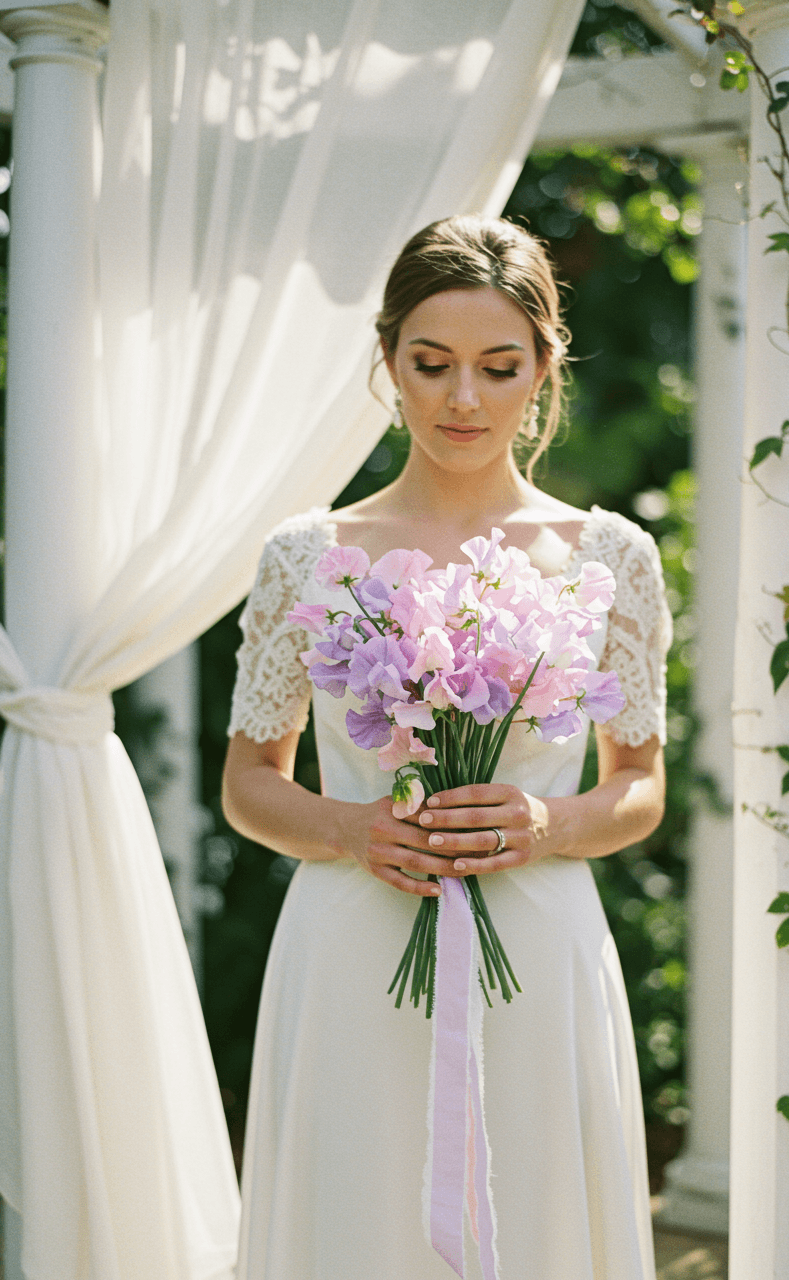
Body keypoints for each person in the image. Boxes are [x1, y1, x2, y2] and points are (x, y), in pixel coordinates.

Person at [223, 214, 672, 1280]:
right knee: (356, 1217)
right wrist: (350, 825)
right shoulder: (307, 553)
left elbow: (638, 783)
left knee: (537, 1218)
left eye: (495, 365)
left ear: (543, 367)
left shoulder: (607, 553)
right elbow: (249, 780)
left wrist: (545, 820)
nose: (460, 398)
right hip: (351, 944)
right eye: (429, 364)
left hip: (539, 949)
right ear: (386, 363)